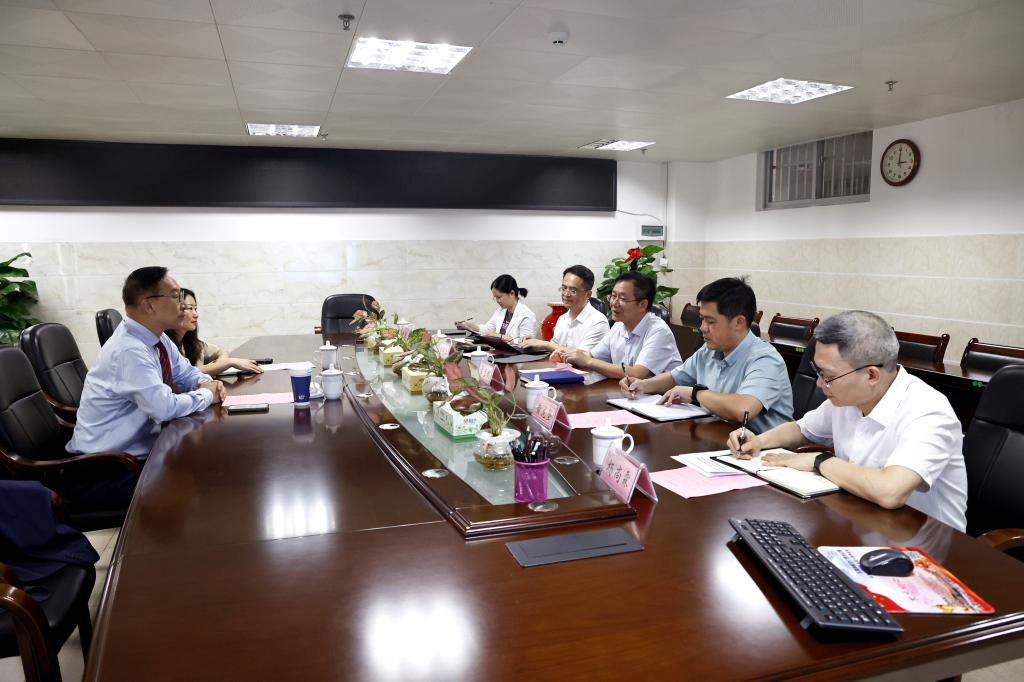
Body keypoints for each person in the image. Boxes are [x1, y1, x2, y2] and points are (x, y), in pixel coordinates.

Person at [726, 310, 967, 532]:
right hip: (862, 524)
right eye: (818, 372)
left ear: (871, 375)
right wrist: (758, 441)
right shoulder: (849, 398)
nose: (819, 384)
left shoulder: (927, 411)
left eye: (827, 376)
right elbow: (801, 429)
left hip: (925, 547)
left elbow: (890, 491)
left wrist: (819, 461)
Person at [68, 267, 226, 458]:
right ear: (149, 305)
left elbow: (185, 373)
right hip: (108, 462)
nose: (183, 305)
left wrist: (206, 382)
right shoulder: (129, 350)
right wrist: (207, 394)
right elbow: (164, 408)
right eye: (175, 296)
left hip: (144, 447)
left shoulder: (158, 337)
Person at [620, 277, 792, 432]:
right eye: (702, 319)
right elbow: (675, 378)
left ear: (739, 322)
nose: (702, 327)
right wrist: (643, 385)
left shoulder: (765, 359)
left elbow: (744, 410)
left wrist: (696, 393)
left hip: (764, 450)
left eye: (710, 321)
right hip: (719, 437)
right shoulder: (709, 350)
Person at [556, 271, 681, 380]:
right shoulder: (618, 326)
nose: (614, 303)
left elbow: (637, 374)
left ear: (642, 305)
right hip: (628, 394)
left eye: (623, 299)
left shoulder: (658, 331)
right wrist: (567, 355)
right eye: (613, 296)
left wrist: (588, 361)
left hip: (662, 397)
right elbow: (592, 355)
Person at [166, 288, 263, 376]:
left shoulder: (192, 343)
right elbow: (184, 374)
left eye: (195, 309)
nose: (196, 314)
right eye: (190, 308)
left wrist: (221, 363)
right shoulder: (165, 345)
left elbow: (220, 351)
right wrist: (228, 363)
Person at [520, 264, 609, 354]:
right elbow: (554, 347)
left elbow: (582, 356)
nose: (566, 294)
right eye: (564, 288)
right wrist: (533, 344)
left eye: (573, 290)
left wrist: (545, 344)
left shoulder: (598, 322)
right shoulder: (562, 319)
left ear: (588, 294)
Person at [455, 274, 537, 340]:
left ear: (512, 293)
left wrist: (499, 336)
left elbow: (526, 343)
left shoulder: (526, 315)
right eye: (495, 298)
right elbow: (487, 329)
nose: (497, 301)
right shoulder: (500, 311)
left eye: (499, 297)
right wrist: (468, 325)